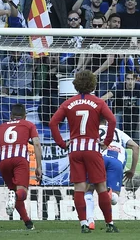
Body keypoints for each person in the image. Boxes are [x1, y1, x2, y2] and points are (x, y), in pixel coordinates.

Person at [49, 70, 118, 233]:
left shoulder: (67, 103)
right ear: (93, 85)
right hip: (92, 148)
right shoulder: (99, 102)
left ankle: (83, 224)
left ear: (76, 85)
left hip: (75, 149)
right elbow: (112, 120)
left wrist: (61, 143)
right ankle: (109, 224)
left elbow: (53, 123)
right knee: (101, 186)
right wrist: (107, 142)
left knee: (79, 187)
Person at [0, 104, 41, 230]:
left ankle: (28, 222)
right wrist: (39, 166)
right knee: (22, 193)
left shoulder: (0, 127)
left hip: (3, 161)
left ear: (11, 116)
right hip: (20, 159)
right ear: (25, 116)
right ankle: (14, 196)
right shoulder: (28, 125)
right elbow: (36, 144)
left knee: (14, 192)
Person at [84, 120, 140, 231]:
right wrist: (132, 169)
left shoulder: (90, 130)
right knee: (113, 199)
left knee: (89, 190)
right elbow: (136, 147)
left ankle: (90, 221)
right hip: (116, 161)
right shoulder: (117, 131)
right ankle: (109, 193)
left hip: (98, 160)